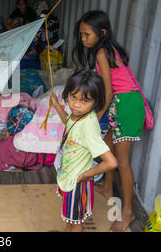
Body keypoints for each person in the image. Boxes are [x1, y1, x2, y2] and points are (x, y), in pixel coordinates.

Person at [71, 10, 146, 232]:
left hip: (126, 107)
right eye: (81, 35)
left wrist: (94, 119)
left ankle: (128, 212)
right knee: (107, 147)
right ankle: (108, 189)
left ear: (102, 33)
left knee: (122, 162)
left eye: (86, 35)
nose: (83, 39)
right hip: (121, 104)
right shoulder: (106, 49)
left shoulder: (102, 52)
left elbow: (110, 92)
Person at [50, 70, 118, 232]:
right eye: (73, 97)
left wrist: (86, 175)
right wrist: (57, 106)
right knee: (70, 217)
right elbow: (68, 122)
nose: (76, 104)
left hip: (77, 182)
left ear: (96, 102)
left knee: (77, 222)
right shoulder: (77, 115)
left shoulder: (89, 125)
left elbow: (111, 162)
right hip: (68, 177)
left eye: (85, 100)